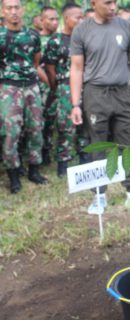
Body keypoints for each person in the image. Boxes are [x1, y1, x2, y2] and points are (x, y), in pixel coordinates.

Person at [70, 0, 130, 214]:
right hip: (95, 94)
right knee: (98, 143)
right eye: (107, 2)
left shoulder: (127, 27)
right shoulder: (82, 30)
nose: (112, 6)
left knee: (126, 142)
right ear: (93, 3)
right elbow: (77, 68)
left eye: (115, 2)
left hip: (122, 93)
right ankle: (99, 195)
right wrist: (75, 104)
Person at [0, 0, 48, 193]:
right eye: (9, 8)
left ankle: (34, 170)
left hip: (31, 87)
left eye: (17, 7)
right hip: (8, 89)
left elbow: (36, 61)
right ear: (3, 11)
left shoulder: (32, 35)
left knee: (36, 128)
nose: (14, 12)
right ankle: (13, 174)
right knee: (11, 133)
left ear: (23, 9)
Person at [43, 3, 84, 177]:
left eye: (82, 17)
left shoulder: (84, 38)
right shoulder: (56, 41)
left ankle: (85, 158)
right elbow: (50, 68)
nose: (81, 20)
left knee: (87, 124)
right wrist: (57, 88)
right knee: (66, 126)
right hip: (65, 86)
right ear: (67, 19)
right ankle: (63, 162)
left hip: (86, 85)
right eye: (77, 17)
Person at [39, 6, 59, 166]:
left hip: (59, 87)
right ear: (41, 20)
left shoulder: (60, 40)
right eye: (50, 19)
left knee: (53, 121)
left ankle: (49, 151)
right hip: (41, 88)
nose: (54, 22)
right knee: (41, 121)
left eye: (56, 19)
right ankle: (41, 152)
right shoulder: (36, 39)